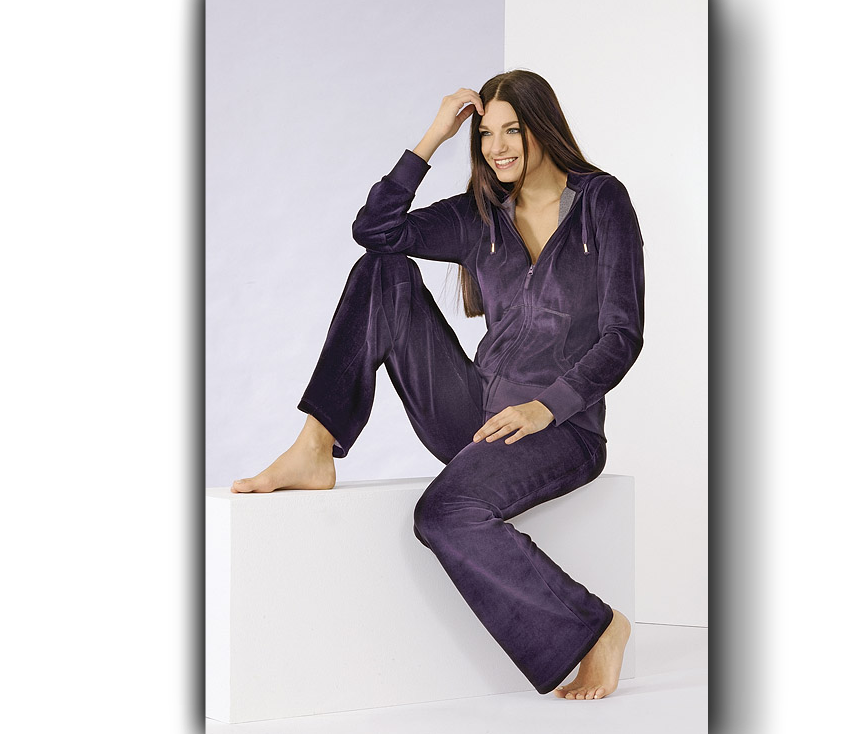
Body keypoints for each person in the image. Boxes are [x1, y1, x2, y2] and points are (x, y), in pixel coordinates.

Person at [231, 70, 645, 700]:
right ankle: (315, 446)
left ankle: (598, 629)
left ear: (544, 127)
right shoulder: (480, 215)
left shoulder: (601, 202)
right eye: (485, 134)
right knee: (382, 270)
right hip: (476, 413)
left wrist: (546, 407)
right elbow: (375, 231)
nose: (497, 147)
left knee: (445, 513)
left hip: (563, 430)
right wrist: (432, 137)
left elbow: (622, 334)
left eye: (513, 130)